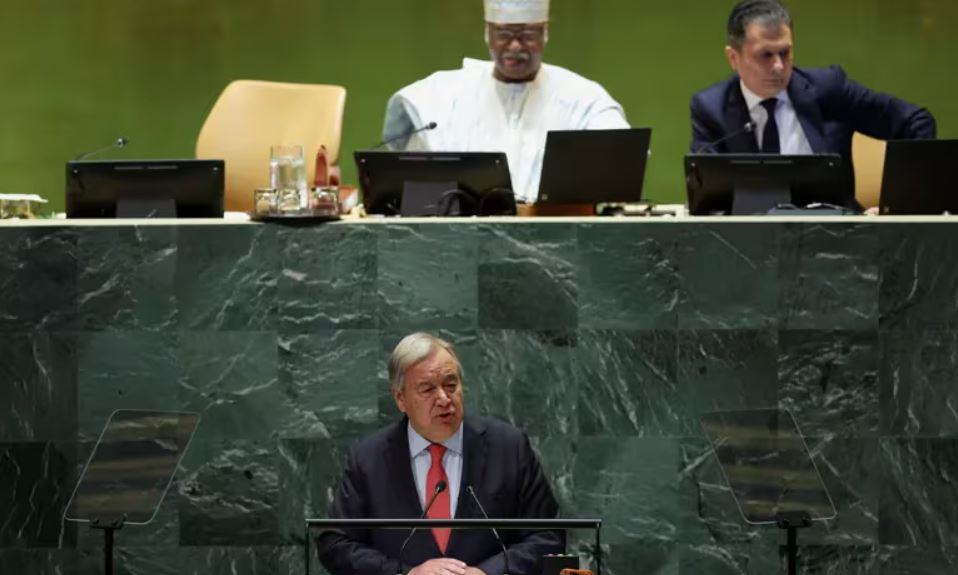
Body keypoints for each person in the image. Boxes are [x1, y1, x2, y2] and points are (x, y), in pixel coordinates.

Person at [317, 333, 563, 575]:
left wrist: (488, 573)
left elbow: (547, 535)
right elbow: (336, 545)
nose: (444, 399)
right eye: (427, 389)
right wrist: (405, 573)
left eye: (451, 385)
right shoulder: (368, 459)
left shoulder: (508, 448)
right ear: (400, 398)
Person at [381, 0, 629, 204]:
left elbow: (622, 152)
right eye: (504, 34)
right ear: (487, 34)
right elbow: (416, 177)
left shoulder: (581, 97)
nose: (514, 45)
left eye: (528, 34)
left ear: (545, 34)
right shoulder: (441, 95)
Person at [689, 0, 936, 203]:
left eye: (785, 53)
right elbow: (706, 195)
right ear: (734, 58)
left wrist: (897, 203)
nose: (778, 66)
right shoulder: (711, 108)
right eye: (765, 55)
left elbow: (916, 121)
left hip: (838, 237)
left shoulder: (829, 88)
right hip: (753, 244)